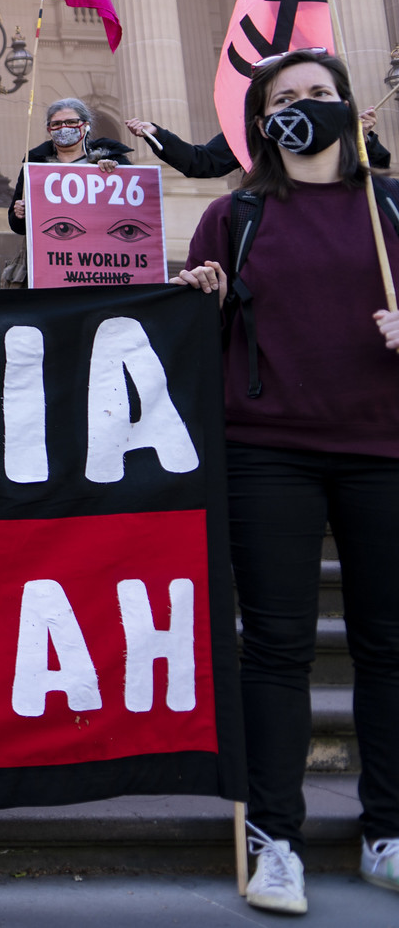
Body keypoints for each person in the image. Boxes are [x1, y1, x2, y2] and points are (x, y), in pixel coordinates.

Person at [175, 49, 399, 915]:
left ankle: (388, 828)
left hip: (383, 448)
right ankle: (275, 838)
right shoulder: (236, 216)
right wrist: (202, 296)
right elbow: (195, 334)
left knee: (388, 648)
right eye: (284, 98)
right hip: (268, 451)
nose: (303, 107)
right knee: (275, 652)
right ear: (262, 120)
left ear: (350, 106)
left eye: (317, 93)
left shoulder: (390, 207)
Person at [124, 113, 391, 179]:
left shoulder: (331, 126)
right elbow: (202, 162)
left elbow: (377, 171)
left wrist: (362, 136)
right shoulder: (254, 132)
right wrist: (157, 134)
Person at [8, 97, 129, 234]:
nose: (64, 128)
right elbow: (17, 226)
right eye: (57, 124)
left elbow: (130, 210)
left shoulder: (111, 158)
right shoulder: (34, 165)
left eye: (71, 122)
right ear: (49, 129)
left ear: (85, 125)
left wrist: (117, 172)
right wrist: (19, 214)